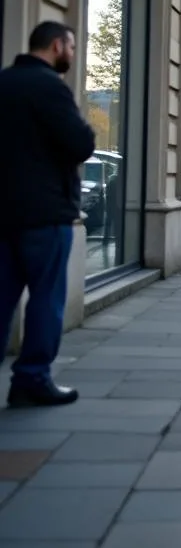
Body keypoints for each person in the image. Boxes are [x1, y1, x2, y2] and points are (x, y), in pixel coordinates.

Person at [0, 22, 95, 407]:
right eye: (71, 47)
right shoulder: (50, 88)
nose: (72, 55)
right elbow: (81, 143)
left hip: (4, 213)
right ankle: (32, 378)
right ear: (57, 45)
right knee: (45, 300)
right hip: (45, 213)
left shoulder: (4, 83)